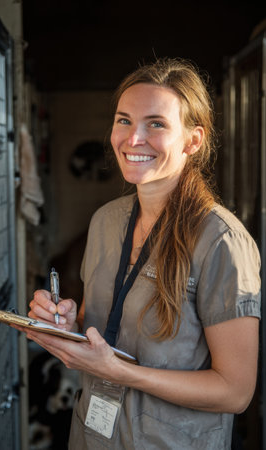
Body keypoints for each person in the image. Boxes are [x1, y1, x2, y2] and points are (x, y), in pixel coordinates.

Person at [17, 58, 261, 449]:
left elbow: (235, 391)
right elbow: (95, 325)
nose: (133, 139)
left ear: (193, 140)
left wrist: (119, 372)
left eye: (157, 124)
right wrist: (64, 326)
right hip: (93, 436)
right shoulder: (105, 222)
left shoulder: (222, 241)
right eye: (124, 120)